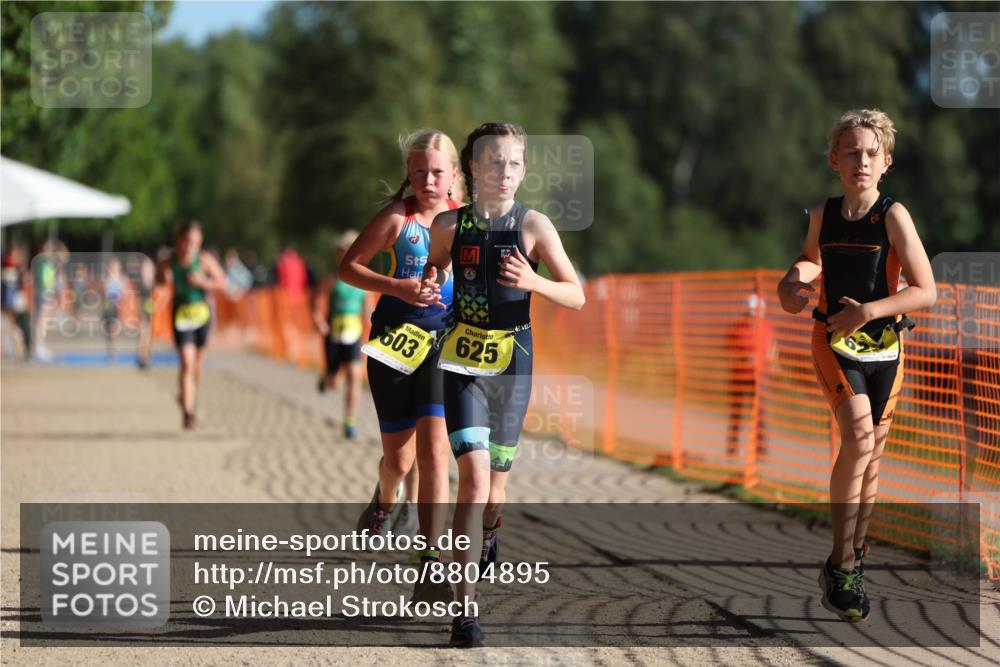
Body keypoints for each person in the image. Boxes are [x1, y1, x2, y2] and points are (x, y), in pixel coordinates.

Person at [420, 122, 585, 647]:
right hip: (463, 359)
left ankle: (492, 529)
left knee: (495, 490)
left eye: (514, 163)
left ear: (524, 170)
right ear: (472, 168)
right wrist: (428, 283)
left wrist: (534, 281)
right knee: (469, 480)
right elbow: (435, 269)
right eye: (494, 162)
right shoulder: (448, 225)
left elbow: (576, 294)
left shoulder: (534, 225)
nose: (504, 172)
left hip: (513, 361)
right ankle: (465, 612)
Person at [777, 109, 936, 622]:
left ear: (886, 162)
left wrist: (869, 311)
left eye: (871, 153)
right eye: (851, 152)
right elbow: (808, 261)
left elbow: (926, 290)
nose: (860, 161)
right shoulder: (823, 212)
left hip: (885, 348)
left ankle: (851, 561)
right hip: (832, 341)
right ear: (834, 159)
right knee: (859, 440)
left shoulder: (893, 215)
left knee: (872, 459)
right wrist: (791, 285)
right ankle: (842, 563)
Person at [339, 128, 463, 602]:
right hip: (393, 344)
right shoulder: (397, 219)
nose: (428, 180)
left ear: (454, 175)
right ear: (408, 175)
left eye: (437, 172)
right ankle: (385, 499)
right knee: (400, 458)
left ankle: (431, 563)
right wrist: (398, 288)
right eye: (419, 172)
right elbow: (349, 267)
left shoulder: (465, 221)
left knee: (434, 453)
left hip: (443, 345)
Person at [156, 221, 227, 430]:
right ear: (178, 241)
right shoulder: (169, 262)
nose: (189, 246)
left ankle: (188, 397)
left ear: (199, 242)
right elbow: (159, 281)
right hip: (181, 313)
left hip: (202, 314)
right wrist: (163, 279)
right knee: (187, 363)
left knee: (196, 366)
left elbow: (223, 283)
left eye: (194, 242)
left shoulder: (204, 260)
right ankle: (188, 413)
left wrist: (203, 282)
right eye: (186, 241)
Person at [312, 230, 367, 440]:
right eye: (344, 251)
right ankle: (326, 379)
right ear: (339, 254)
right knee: (335, 382)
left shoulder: (363, 279)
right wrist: (318, 321)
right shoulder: (332, 279)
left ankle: (349, 422)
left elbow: (367, 310)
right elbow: (315, 302)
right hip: (334, 334)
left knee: (355, 375)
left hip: (354, 335)